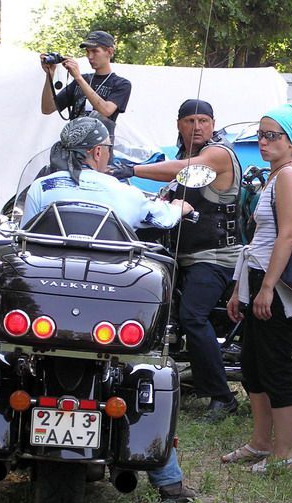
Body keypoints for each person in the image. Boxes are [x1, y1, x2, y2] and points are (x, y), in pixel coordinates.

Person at [0, 118, 195, 503]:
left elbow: (23, 233)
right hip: (104, 313)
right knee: (142, 369)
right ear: (99, 152)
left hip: (43, 305)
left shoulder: (42, 186)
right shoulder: (121, 191)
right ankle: (168, 481)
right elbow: (162, 219)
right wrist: (180, 205)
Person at [110, 100, 243, 422]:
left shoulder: (217, 154)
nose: (197, 126)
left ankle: (223, 397)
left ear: (213, 124)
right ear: (179, 124)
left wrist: (131, 169)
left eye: (203, 120)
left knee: (193, 316)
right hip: (183, 257)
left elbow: (186, 171)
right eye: (190, 120)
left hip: (215, 257)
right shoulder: (182, 161)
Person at [222, 104, 292, 472]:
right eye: (261, 134)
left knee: (275, 365)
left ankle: (284, 453)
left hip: (274, 283)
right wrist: (240, 290)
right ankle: (260, 443)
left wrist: (267, 288)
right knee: (252, 364)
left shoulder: (289, 177)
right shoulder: (274, 177)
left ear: (291, 142)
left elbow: (287, 235)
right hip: (257, 276)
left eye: (273, 135)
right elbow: (260, 237)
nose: (264, 141)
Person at [40, 31, 131, 132]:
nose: (90, 56)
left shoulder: (121, 84)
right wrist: (49, 75)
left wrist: (78, 77)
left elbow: (106, 110)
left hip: (100, 146)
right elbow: (47, 109)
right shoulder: (81, 80)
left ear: (109, 52)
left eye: (95, 51)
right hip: (74, 144)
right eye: (87, 51)